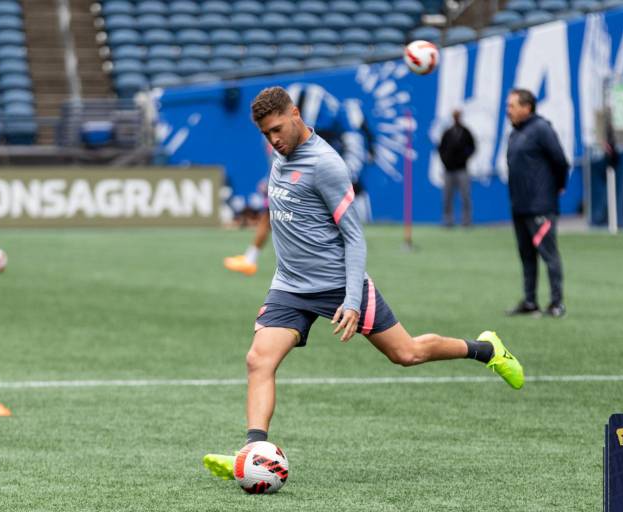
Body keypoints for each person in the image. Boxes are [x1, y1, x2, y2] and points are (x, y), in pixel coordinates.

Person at [203, 87, 524, 484]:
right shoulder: (280, 155)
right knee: (258, 360)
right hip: (289, 285)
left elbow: (354, 238)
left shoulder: (326, 164)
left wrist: (352, 301)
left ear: (296, 114)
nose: (273, 141)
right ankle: (252, 451)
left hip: (338, 284)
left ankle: (486, 349)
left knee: (406, 354)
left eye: (277, 130)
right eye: (266, 134)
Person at [223, 85, 374, 276]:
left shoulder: (330, 141)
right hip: (304, 183)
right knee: (275, 213)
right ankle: (251, 257)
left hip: (327, 188)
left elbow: (354, 150)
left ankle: (254, 258)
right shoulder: (288, 143)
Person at [504, 89, 569, 318]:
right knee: (526, 255)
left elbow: (561, 161)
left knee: (548, 254)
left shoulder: (541, 129)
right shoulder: (515, 133)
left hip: (540, 206)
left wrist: (558, 186)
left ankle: (556, 303)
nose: (508, 110)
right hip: (519, 205)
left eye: (512, 106)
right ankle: (530, 301)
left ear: (526, 107)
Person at [438, 109, 475, 227]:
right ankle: (448, 220)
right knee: (447, 196)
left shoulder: (465, 132)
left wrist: (464, 158)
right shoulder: (447, 132)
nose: (456, 119)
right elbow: (441, 148)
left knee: (465, 196)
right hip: (449, 169)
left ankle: (466, 221)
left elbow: (472, 147)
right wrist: (445, 161)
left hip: (462, 169)